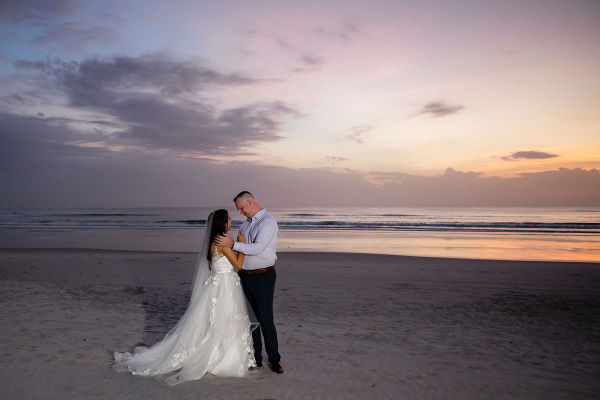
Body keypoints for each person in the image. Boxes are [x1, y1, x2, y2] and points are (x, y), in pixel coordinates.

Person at [111, 209, 258, 385]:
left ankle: (221, 355)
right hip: (225, 286)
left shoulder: (213, 241)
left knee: (216, 322)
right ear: (222, 222)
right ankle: (222, 359)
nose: (231, 219)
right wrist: (240, 244)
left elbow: (213, 266)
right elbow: (239, 265)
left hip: (217, 284)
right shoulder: (224, 243)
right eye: (228, 218)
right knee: (224, 321)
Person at [215, 191, 283, 374]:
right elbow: (241, 254)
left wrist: (233, 244)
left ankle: (275, 360)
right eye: (238, 209)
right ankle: (256, 359)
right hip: (244, 276)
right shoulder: (245, 226)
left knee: (265, 319)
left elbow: (258, 248)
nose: (240, 212)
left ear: (250, 202)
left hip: (263, 277)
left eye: (241, 207)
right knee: (251, 321)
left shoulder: (268, 222)